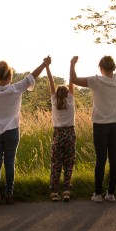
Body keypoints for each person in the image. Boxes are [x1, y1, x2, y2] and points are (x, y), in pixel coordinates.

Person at [0, 51, 50, 205]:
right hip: (11, 131)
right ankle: (9, 194)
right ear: (10, 76)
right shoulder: (16, 88)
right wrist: (44, 64)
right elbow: (32, 76)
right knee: (10, 163)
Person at [70, 44, 116, 203]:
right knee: (114, 158)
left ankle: (97, 194)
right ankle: (111, 193)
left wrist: (72, 64)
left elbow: (73, 79)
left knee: (101, 158)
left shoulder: (96, 81)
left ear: (100, 67)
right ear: (114, 68)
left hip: (101, 124)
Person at [46, 62, 76, 202]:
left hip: (58, 134)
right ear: (68, 94)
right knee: (68, 163)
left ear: (56, 94)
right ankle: (66, 191)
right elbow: (72, 81)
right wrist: (72, 64)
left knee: (56, 163)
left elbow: (51, 82)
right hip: (70, 134)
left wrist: (47, 67)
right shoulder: (70, 100)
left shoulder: (54, 101)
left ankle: (54, 191)